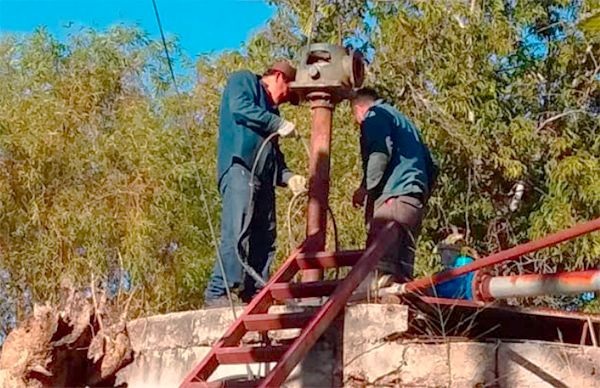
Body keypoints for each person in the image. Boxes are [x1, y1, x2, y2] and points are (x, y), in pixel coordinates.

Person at [204, 61, 306, 307]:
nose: (284, 100)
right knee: (238, 231)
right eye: (288, 92)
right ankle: (220, 291)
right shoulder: (244, 80)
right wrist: (276, 124)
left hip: (263, 179)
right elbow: (240, 109)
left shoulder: (273, 112)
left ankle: (256, 292)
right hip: (240, 169)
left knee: (265, 236)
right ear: (279, 76)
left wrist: (289, 177)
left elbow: (274, 157)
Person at [351, 87, 438, 287]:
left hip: (394, 202)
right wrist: (418, 194)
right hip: (412, 204)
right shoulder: (406, 124)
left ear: (358, 108)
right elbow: (432, 166)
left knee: (378, 271)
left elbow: (379, 153)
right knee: (403, 276)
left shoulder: (375, 115)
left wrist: (366, 188)